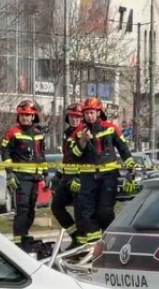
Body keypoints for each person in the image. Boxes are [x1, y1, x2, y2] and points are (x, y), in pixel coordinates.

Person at [73, 97, 135, 243]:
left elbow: (123, 149)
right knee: (87, 213)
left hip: (108, 176)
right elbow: (75, 155)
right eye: (87, 113)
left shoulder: (111, 128)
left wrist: (130, 167)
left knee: (105, 211)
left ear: (99, 112)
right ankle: (94, 246)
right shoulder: (79, 132)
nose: (89, 116)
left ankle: (110, 242)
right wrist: (83, 140)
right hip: (88, 177)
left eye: (92, 113)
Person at [0, 99, 47, 249]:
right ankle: (18, 242)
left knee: (31, 209)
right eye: (22, 115)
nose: (25, 118)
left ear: (33, 116)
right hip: (21, 178)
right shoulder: (12, 133)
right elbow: (5, 153)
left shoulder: (39, 134)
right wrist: (10, 174)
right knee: (23, 209)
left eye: (27, 115)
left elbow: (42, 155)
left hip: (35, 178)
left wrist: (45, 174)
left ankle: (25, 237)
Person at [51, 103, 85, 246]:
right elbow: (67, 157)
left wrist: (79, 177)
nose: (74, 120)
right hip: (67, 179)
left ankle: (82, 245)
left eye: (77, 117)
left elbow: (86, 157)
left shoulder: (84, 132)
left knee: (80, 212)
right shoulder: (67, 133)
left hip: (80, 180)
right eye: (71, 116)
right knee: (56, 206)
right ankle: (75, 236)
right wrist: (58, 174)